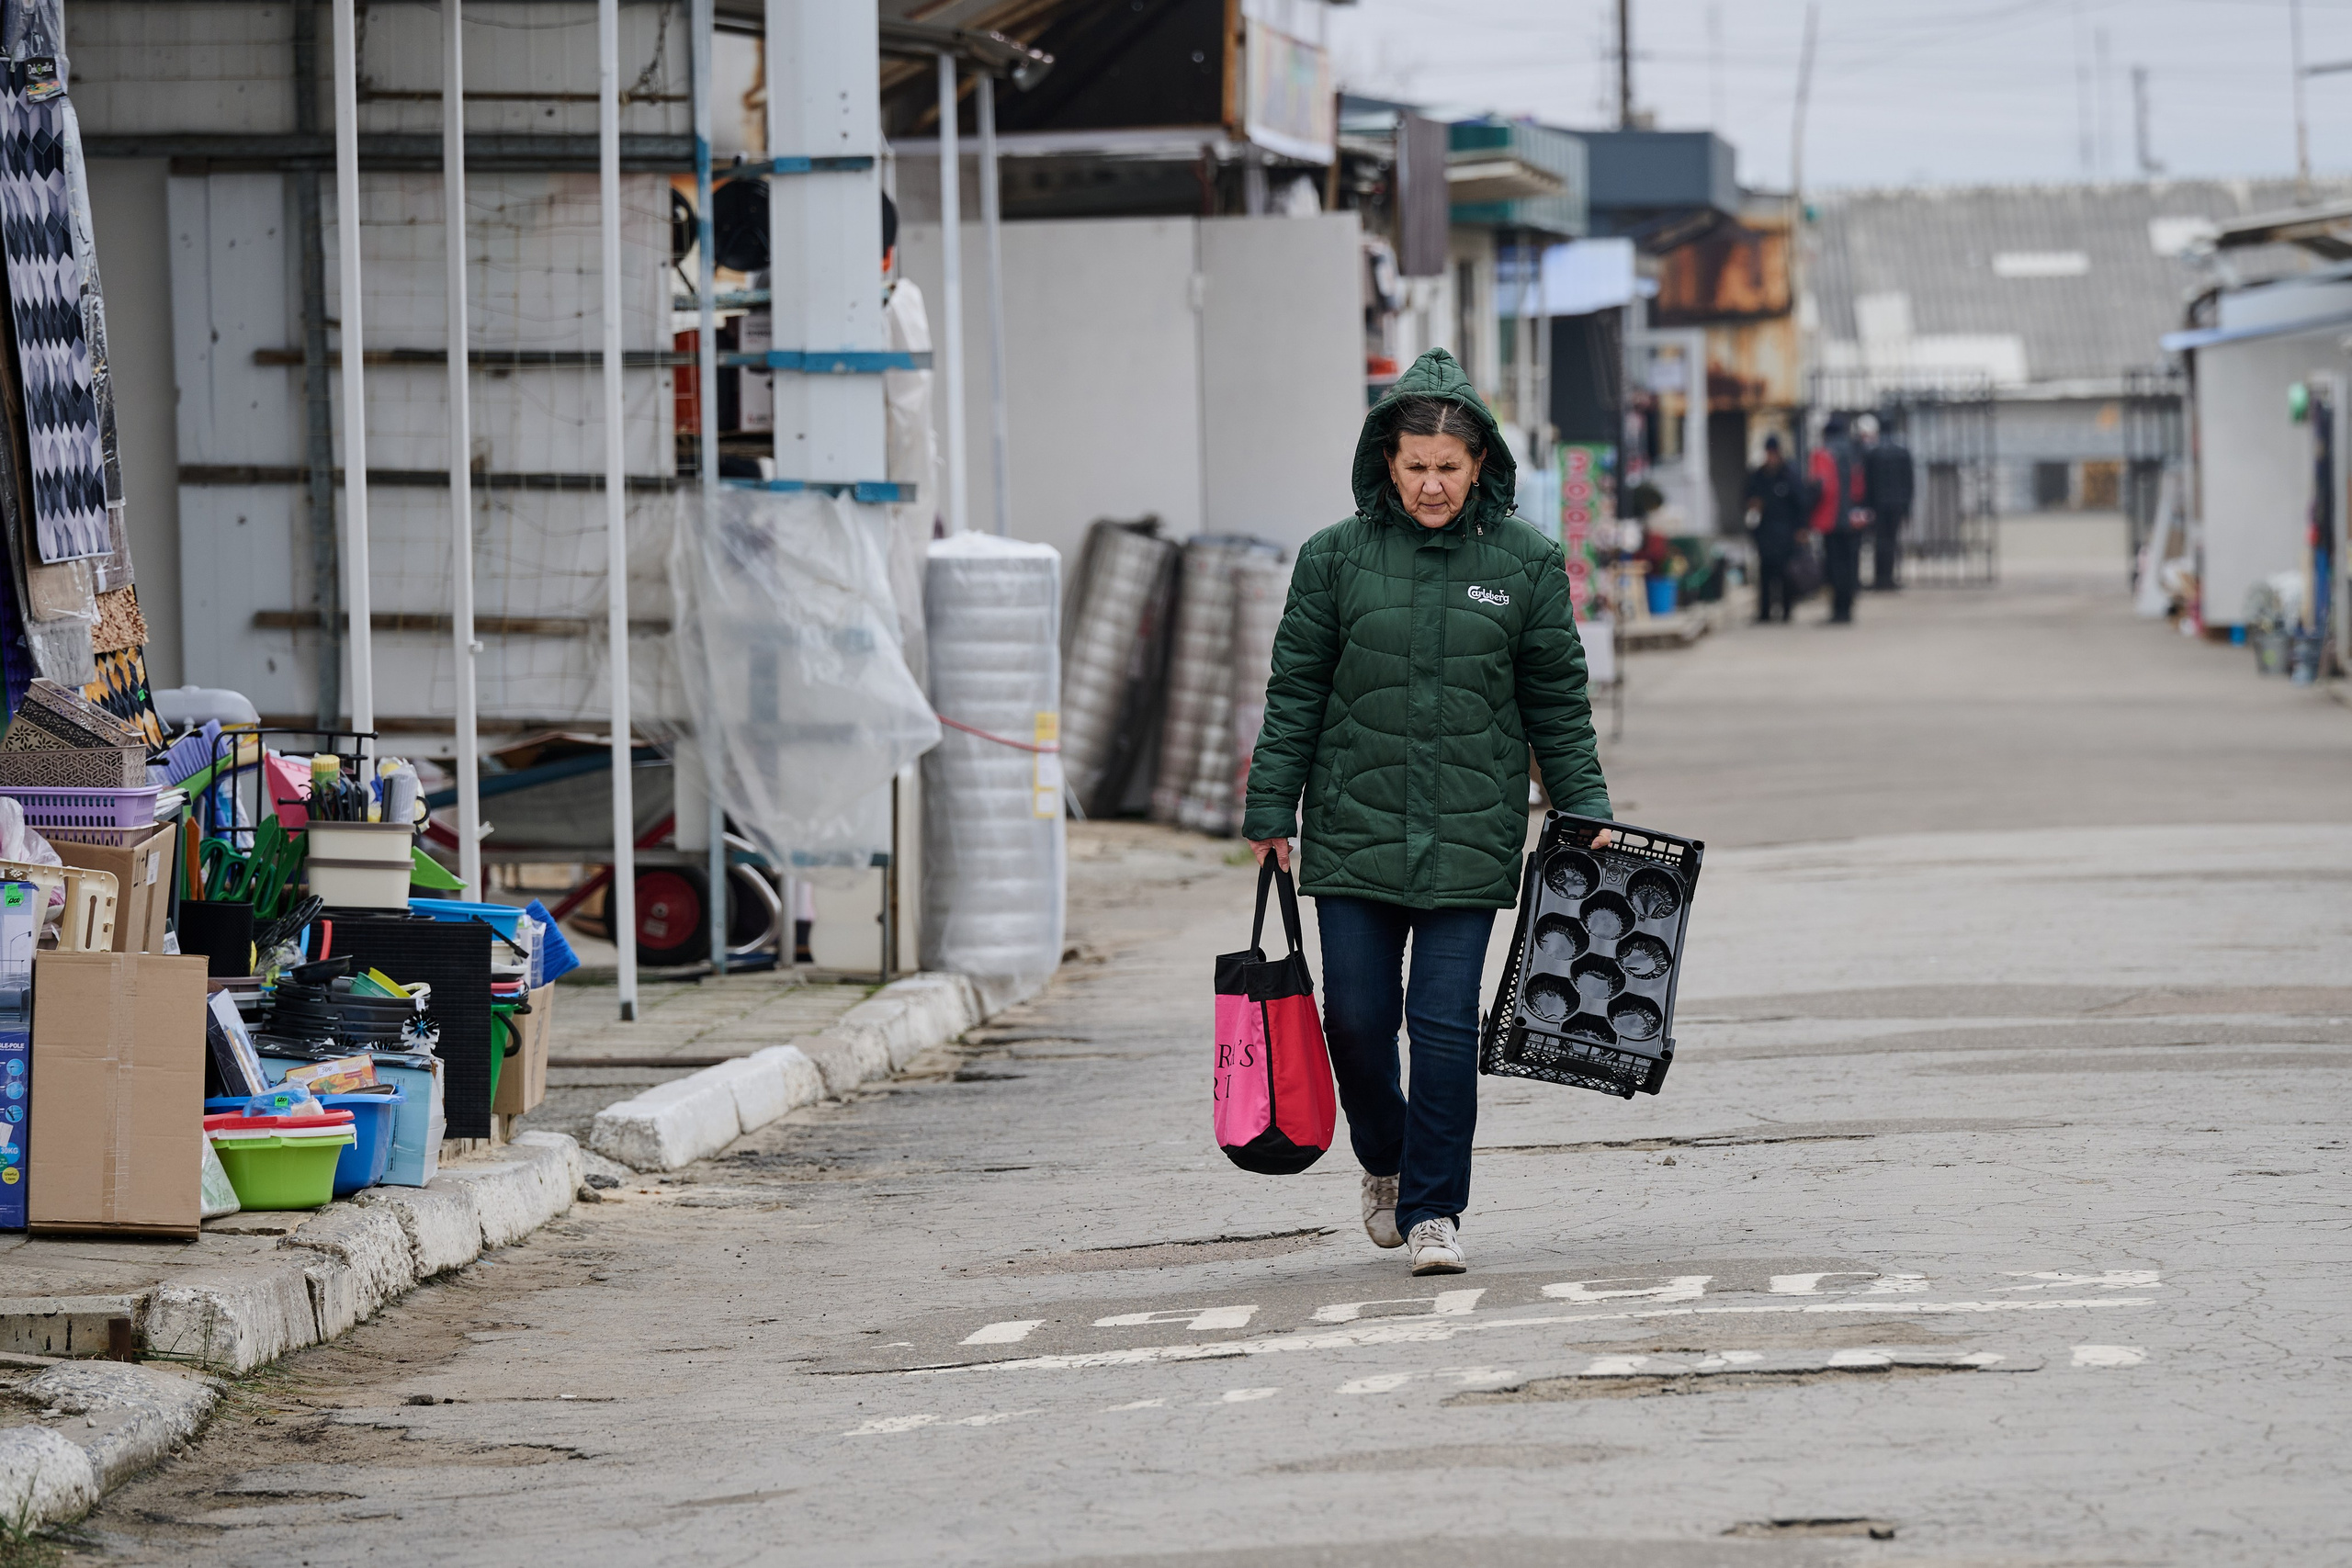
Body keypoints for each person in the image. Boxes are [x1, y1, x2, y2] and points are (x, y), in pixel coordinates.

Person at [1242, 347, 1611, 1279]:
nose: (1433, 485)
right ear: (1387, 462)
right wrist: (1268, 807)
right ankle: (1386, 1157)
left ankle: (1434, 1209)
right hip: (1353, 823)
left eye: (1449, 468)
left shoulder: (1524, 564)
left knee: (1445, 1026)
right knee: (1356, 1022)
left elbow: (1555, 700)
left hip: (1468, 825)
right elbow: (1295, 690)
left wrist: (1584, 803)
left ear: (1479, 466)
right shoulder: (1333, 559)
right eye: (1416, 467)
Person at [1808, 414, 1870, 624]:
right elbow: (1861, 487)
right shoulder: (1855, 452)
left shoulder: (1824, 454)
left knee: (1835, 567)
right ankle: (1847, 607)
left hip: (1832, 520)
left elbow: (1820, 488)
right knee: (1850, 565)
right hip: (1853, 520)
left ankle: (1838, 611)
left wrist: (1807, 514)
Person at [1744, 434, 1804, 622]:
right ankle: (1764, 612)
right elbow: (1746, 498)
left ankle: (1786, 611)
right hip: (1765, 533)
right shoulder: (1758, 476)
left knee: (1785, 575)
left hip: (1786, 533)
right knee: (1765, 575)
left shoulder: (1789, 476)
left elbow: (1801, 504)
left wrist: (1801, 529)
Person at [1861, 411, 1914, 592]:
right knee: (1892, 542)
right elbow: (1909, 482)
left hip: (1878, 505)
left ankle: (1880, 578)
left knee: (1880, 542)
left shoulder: (1873, 452)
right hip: (1897, 504)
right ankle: (1890, 578)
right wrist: (1907, 506)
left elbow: (1867, 482)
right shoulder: (1902, 451)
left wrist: (1867, 506)